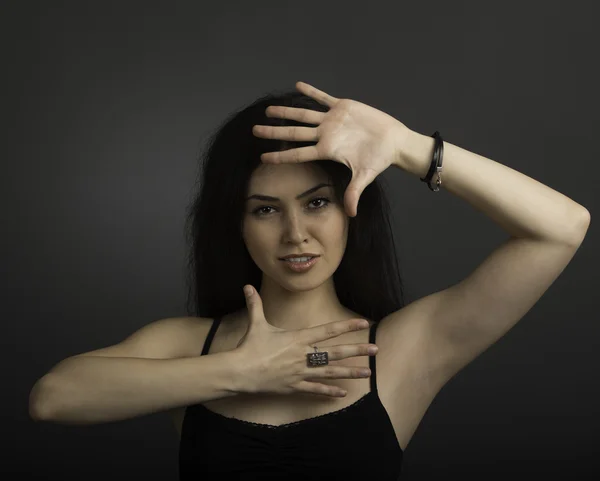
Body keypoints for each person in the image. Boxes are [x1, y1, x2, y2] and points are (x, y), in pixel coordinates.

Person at [29, 81, 590, 481]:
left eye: (316, 202)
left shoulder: (401, 349)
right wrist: (239, 370)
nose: (296, 234)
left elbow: (562, 228)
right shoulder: (189, 345)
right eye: (266, 210)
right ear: (238, 227)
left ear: (351, 208)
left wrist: (406, 148)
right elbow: (53, 398)